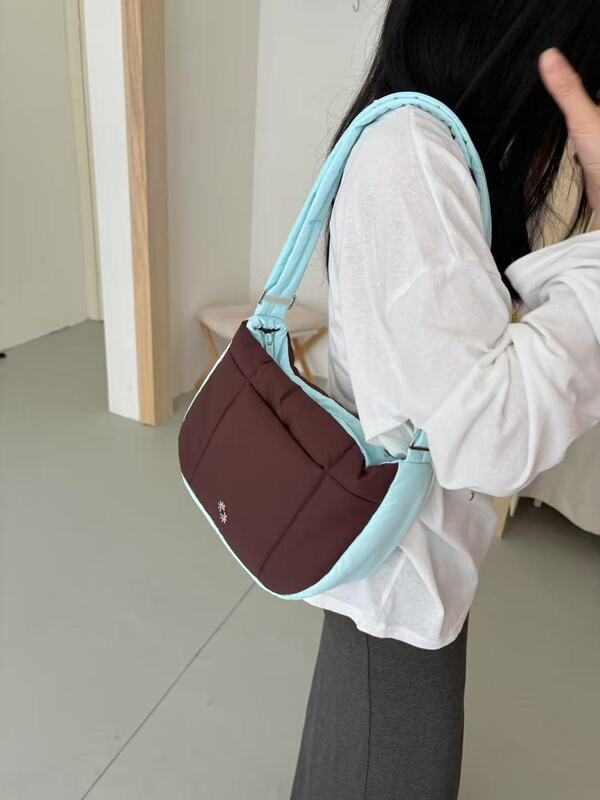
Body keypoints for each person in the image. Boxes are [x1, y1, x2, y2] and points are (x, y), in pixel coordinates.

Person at [290, 2, 600, 798]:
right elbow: (489, 439)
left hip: (393, 550)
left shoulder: (426, 148)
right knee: (380, 743)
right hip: (398, 567)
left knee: (352, 739)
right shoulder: (409, 160)